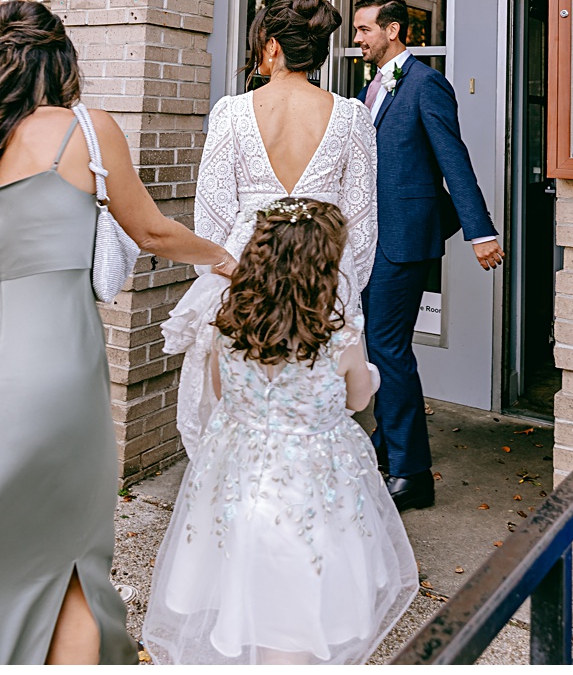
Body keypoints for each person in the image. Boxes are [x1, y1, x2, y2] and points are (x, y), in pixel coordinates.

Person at [0, 0, 237, 667]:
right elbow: (153, 231)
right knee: (69, 559)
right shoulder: (87, 130)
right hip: (52, 372)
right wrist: (221, 257)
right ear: (64, 63)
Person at [141, 198, 418, 665]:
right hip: (309, 485)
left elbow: (222, 393)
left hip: (241, 473)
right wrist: (368, 375)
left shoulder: (228, 327)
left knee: (242, 582)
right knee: (297, 602)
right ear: (324, 266)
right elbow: (356, 401)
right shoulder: (340, 337)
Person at [164, 0, 376, 461]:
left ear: (273, 46)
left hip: (242, 273)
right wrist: (344, 287)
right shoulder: (352, 117)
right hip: (324, 274)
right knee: (311, 412)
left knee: (234, 410)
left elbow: (213, 219)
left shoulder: (232, 112)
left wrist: (225, 274)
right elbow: (361, 224)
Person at [353, 0, 501, 511]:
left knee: (388, 350)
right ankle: (387, 445)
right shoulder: (370, 87)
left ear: (393, 31)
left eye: (365, 29)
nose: (358, 38)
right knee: (379, 348)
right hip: (371, 239)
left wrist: (481, 232)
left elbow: (452, 159)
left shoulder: (425, 84)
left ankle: (412, 474)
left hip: (404, 241)